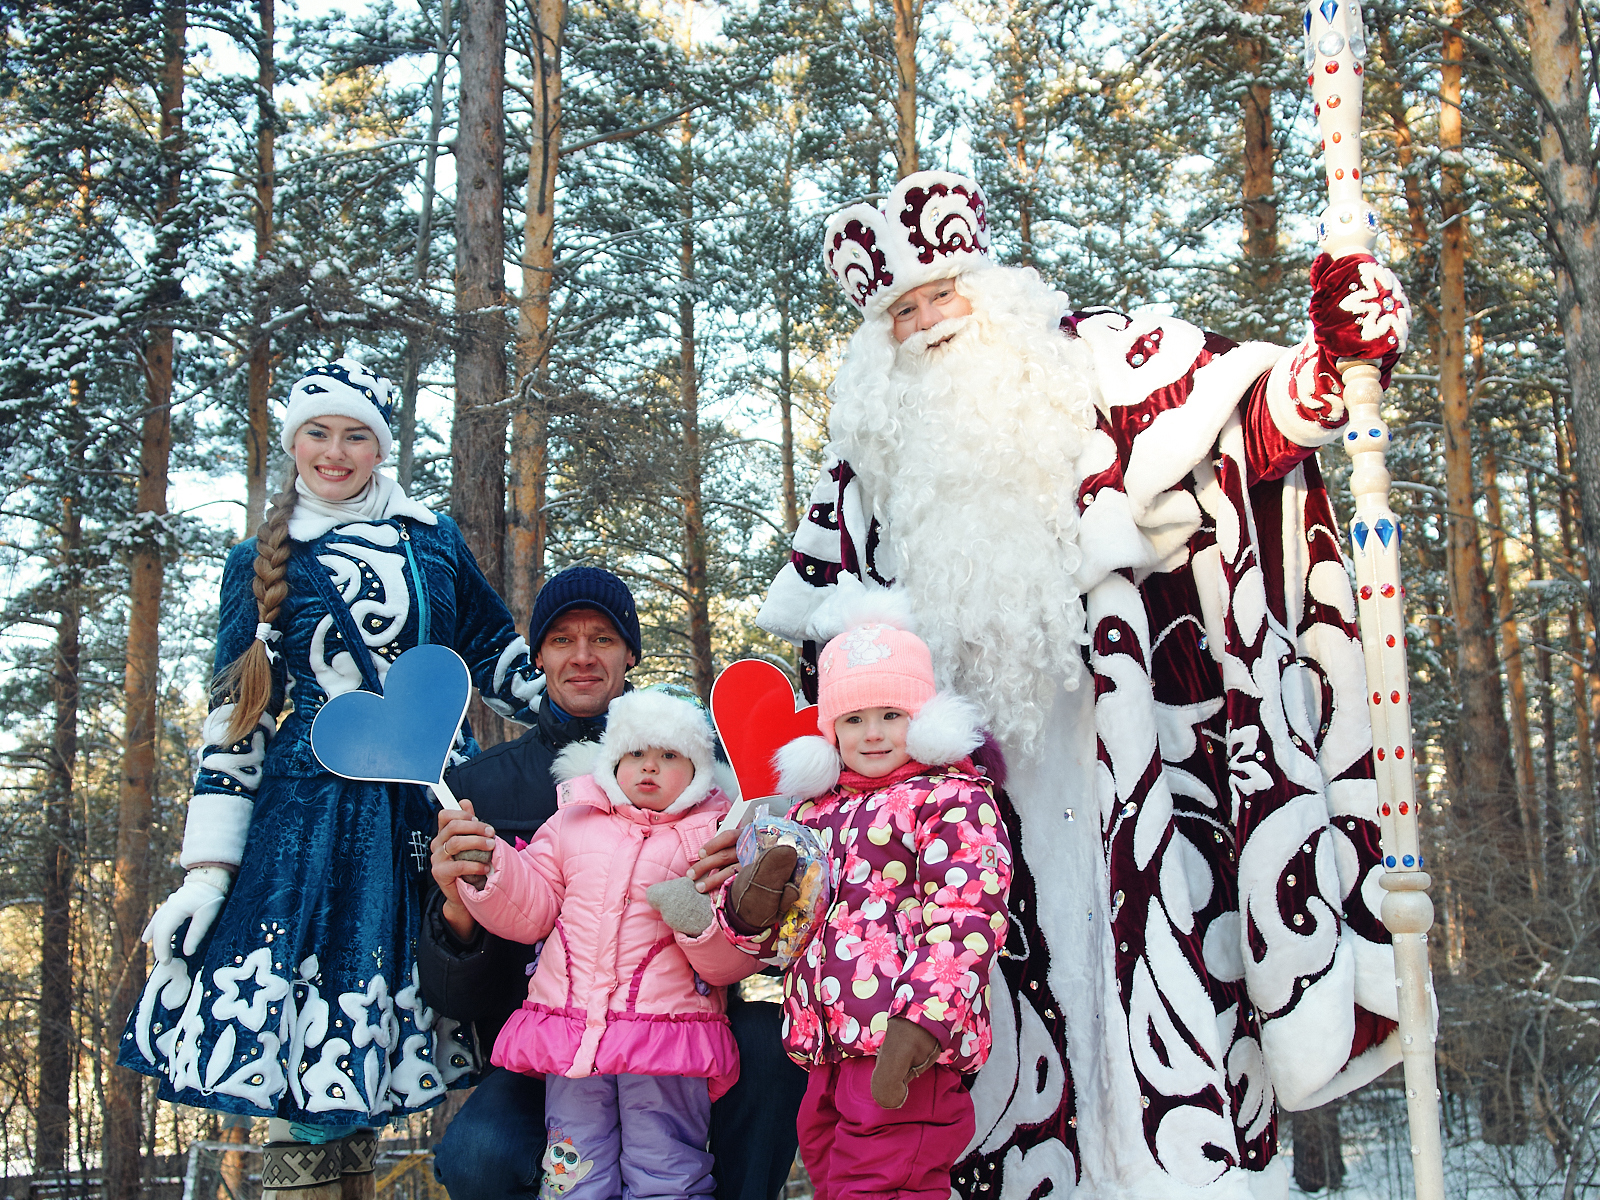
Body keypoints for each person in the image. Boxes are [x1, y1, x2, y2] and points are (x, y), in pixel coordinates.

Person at [734, 170, 1413, 1199]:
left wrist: (1333, 364)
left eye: (942, 294)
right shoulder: (867, 463)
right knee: (976, 1082)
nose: (926, 323)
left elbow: (1248, 433)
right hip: (949, 815)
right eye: (901, 311)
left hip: (1134, 772)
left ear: (991, 287)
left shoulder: (1093, 365)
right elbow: (822, 679)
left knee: (1163, 1010)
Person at [120, 358, 545, 1195]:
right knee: (305, 1053)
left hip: (425, 819)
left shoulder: (435, 543)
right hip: (304, 838)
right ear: (294, 442)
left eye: (356, 435)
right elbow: (233, 722)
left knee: (407, 1040)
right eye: (318, 433)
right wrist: (208, 873)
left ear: (381, 447)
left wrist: (608, 717)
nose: (336, 452)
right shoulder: (258, 560)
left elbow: (498, 656)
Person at [424, 568, 809, 1200]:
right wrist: (466, 895)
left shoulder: (712, 798)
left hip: (677, 1030)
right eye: (561, 639)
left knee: (769, 1044)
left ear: (630, 653)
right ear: (538, 655)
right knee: (483, 1155)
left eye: (601, 638)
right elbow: (458, 987)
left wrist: (735, 903)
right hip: (556, 1036)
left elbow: (736, 954)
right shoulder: (486, 787)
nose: (581, 655)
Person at [716, 606, 1013, 1200]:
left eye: (891, 715)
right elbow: (783, 934)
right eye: (853, 719)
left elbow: (965, 922)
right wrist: (748, 907)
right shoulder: (813, 813)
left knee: (883, 1185)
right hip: (825, 1047)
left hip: (904, 1049)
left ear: (922, 720)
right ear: (830, 731)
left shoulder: (949, 800)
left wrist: (922, 1024)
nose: (871, 733)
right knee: (834, 1181)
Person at [456, 687, 757, 1200]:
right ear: (611, 763)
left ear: (699, 770)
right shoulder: (574, 822)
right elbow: (533, 903)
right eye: (635, 754)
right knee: (574, 1163)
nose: (649, 768)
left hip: (666, 1033)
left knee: (665, 1163)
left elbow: (737, 946)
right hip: (574, 1031)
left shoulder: (714, 834)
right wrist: (493, 868)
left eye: (669, 756)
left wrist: (701, 919)